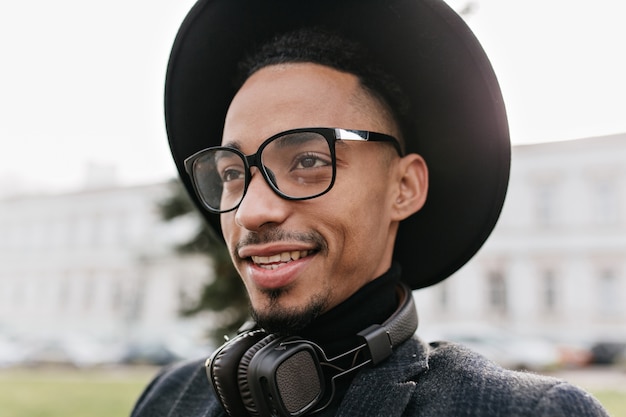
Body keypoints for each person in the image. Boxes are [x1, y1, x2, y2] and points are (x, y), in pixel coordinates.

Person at [131, 0, 609, 416]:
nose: (251, 212)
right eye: (234, 174)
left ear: (403, 187)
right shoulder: (167, 399)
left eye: (307, 161)